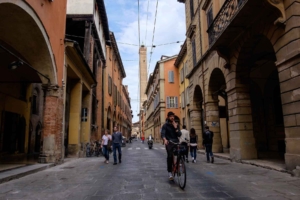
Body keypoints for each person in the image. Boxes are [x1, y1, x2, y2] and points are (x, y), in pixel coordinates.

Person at [161, 111, 182, 180]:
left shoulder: (176, 124)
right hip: (169, 142)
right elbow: (163, 134)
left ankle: (177, 165)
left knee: (179, 154)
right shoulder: (165, 125)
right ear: (168, 117)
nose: (172, 117)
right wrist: (165, 140)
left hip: (176, 142)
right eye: (170, 116)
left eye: (173, 116)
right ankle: (170, 172)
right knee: (170, 156)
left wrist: (176, 128)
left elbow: (179, 134)